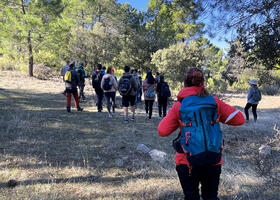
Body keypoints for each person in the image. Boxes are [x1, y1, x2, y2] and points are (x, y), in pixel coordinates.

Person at [158, 67, 244, 200]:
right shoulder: (214, 102)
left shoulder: (179, 105)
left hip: (186, 161)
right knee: (211, 196)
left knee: (191, 196)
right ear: (202, 82)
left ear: (185, 83)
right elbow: (240, 119)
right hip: (212, 159)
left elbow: (162, 131)